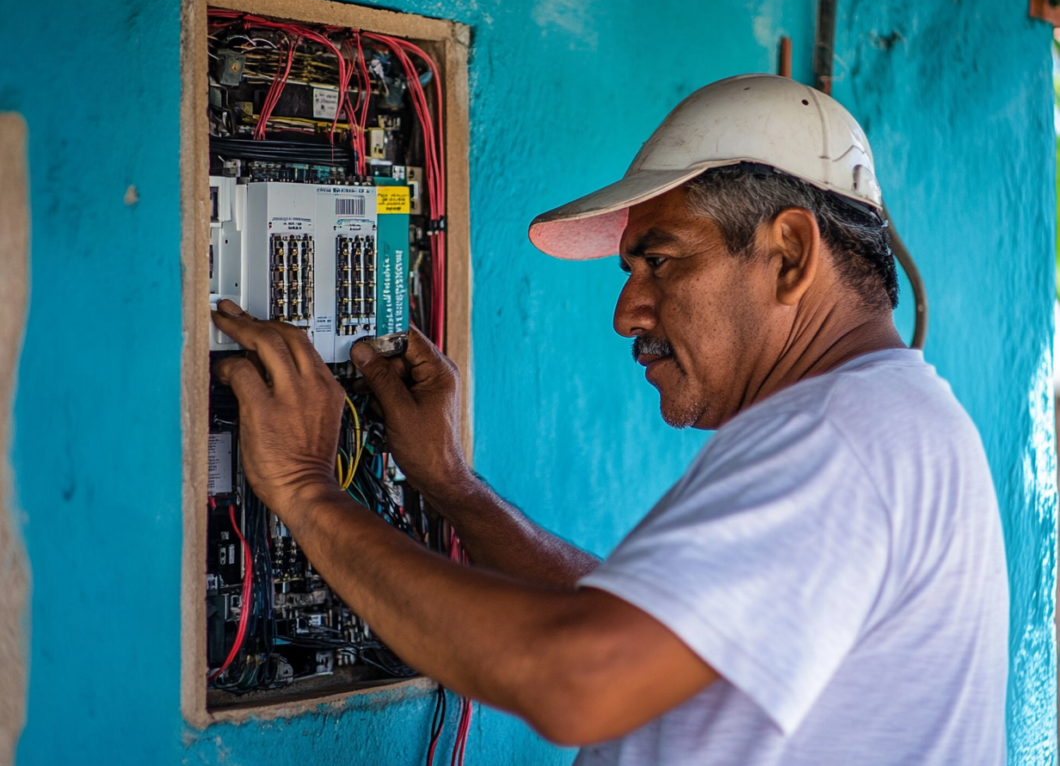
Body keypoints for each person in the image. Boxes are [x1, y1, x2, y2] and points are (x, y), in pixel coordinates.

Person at [211, 74, 1008, 765]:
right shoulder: (883, 424)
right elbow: (646, 628)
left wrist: (306, 489)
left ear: (791, 254)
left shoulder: (843, 437)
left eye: (659, 261)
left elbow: (580, 675)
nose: (627, 314)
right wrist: (451, 486)